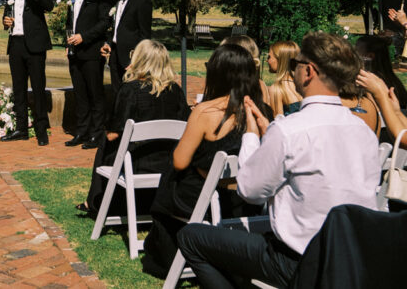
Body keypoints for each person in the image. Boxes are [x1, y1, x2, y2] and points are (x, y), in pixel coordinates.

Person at [177, 32, 382, 288]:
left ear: (308, 71)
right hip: (354, 259)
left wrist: (252, 135)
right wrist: (271, 129)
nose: (293, 70)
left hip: (300, 262)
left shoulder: (289, 130)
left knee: (190, 237)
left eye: (296, 64)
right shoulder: (361, 130)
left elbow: (250, 191)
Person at [141, 43, 272, 278]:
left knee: (171, 174)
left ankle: (165, 249)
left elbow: (181, 161)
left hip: (204, 199)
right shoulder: (263, 111)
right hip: (245, 201)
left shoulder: (205, 112)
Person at [79, 39, 190, 214]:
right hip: (169, 161)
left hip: (137, 163)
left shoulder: (130, 90)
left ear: (139, 60)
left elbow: (112, 135)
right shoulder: (176, 91)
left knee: (104, 140)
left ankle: (96, 201)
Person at [0, 0, 55, 146]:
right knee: (19, 88)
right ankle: (21, 129)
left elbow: (48, 6)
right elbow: (6, 13)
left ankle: (41, 130)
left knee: (38, 88)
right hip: (15, 44)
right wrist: (6, 21)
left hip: (35, 45)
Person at [64, 0, 113, 149]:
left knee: (95, 93)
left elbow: (104, 22)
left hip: (92, 50)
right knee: (80, 93)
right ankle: (81, 132)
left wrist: (84, 36)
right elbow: (70, 20)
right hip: (73, 51)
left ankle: (96, 133)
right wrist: (68, 42)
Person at [100, 0, 153, 91]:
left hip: (131, 60)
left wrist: (137, 61)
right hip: (115, 56)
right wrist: (108, 43)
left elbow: (145, 35)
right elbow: (116, 28)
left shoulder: (142, 1)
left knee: (132, 95)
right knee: (117, 94)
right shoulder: (117, 0)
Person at [264, 40, 302, 115]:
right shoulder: (304, 84)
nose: (266, 60)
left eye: (269, 57)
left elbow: (277, 123)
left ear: (280, 60)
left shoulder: (277, 89)